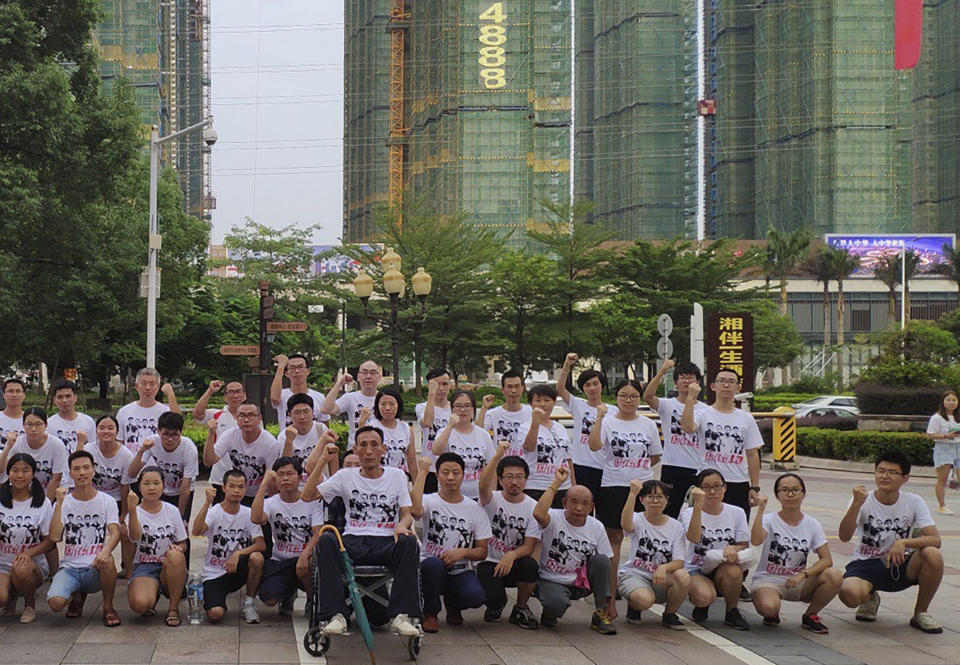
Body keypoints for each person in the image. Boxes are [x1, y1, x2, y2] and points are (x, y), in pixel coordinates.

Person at [302, 425, 421, 637]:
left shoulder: (397, 476)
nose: (368, 451)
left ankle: (401, 615)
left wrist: (403, 525)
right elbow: (308, 496)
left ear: (383, 449)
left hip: (386, 541)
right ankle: (335, 615)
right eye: (363, 445)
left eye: (374, 445)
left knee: (409, 542)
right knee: (327, 540)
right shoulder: (345, 476)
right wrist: (322, 460)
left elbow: (407, 513)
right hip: (353, 541)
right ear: (355, 450)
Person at [838, 450, 944, 633]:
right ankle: (869, 598)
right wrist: (856, 504)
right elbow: (844, 536)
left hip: (899, 563)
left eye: (892, 472)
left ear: (905, 478)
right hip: (866, 563)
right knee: (849, 594)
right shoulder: (863, 499)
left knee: (932, 554)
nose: (884, 476)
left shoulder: (913, 501)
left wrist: (903, 543)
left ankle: (921, 613)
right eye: (880, 470)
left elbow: (935, 539)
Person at [589, 379, 662, 614]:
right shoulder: (607, 421)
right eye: (623, 395)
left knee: (644, 538)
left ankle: (638, 591)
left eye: (633, 396)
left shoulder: (648, 424)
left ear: (639, 398)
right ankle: (609, 596)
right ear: (616, 397)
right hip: (613, 486)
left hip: (643, 487)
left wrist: (637, 469)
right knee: (614, 542)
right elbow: (593, 446)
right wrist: (599, 418)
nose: (628, 400)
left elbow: (654, 455)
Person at [750, 473, 842, 634]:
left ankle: (810, 615)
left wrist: (803, 575)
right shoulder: (768, 519)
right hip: (768, 580)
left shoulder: (812, 524)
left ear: (803, 494)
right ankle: (773, 611)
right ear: (777, 495)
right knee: (768, 608)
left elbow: (826, 560)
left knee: (834, 575)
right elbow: (756, 541)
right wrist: (760, 511)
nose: (790, 494)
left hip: (798, 582)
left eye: (795, 490)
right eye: (784, 490)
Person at [412, 452, 491, 632]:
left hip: (460, 569)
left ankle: (453, 603)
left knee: (476, 596)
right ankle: (430, 612)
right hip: (431, 565)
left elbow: (482, 551)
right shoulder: (429, 500)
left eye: (456, 473)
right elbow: (416, 511)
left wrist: (462, 552)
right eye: (445, 472)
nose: (450, 477)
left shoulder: (475, 509)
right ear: (438, 475)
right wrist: (423, 472)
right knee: (432, 565)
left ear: (463, 476)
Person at [533, 466, 616, 634]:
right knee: (556, 604)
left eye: (585, 504)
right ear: (564, 503)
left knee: (602, 560)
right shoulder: (554, 517)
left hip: (580, 582)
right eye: (574, 502)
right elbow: (538, 514)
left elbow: (610, 565)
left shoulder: (596, 526)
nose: (579, 508)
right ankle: (550, 611)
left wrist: (611, 602)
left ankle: (600, 613)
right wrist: (556, 483)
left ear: (592, 506)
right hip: (551, 580)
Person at [47, 450, 121, 626]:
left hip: (95, 566)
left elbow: (115, 532)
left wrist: (105, 551)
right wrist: (58, 503)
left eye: (86, 468)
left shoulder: (107, 501)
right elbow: (55, 536)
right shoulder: (65, 502)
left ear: (93, 470)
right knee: (55, 603)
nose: (82, 473)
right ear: (70, 473)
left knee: (109, 561)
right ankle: (76, 595)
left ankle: (108, 606)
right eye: (77, 469)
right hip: (70, 567)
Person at [681, 369, 761, 520]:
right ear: (713, 386)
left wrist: (754, 487)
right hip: (708, 482)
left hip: (738, 482)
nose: (726, 385)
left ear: (738, 388)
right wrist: (691, 398)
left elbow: (752, 453)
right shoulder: (703, 413)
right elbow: (687, 427)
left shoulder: (746, 418)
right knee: (704, 528)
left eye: (731, 382)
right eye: (722, 381)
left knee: (737, 531)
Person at [476, 441, 540, 629]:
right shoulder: (492, 499)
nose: (514, 482)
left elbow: (529, 546)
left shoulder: (532, 506)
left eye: (519, 477)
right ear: (500, 479)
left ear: (526, 480)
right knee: (494, 599)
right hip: (489, 561)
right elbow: (482, 487)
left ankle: (520, 608)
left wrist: (511, 555)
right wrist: (497, 455)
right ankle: (497, 604)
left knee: (530, 565)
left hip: (514, 562)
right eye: (509, 477)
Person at [682, 468, 755, 630]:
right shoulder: (689, 513)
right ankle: (702, 604)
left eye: (717, 486)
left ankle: (732, 611)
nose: (712, 491)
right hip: (697, 567)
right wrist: (698, 506)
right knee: (704, 597)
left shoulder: (737, 512)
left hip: (723, 564)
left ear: (725, 488)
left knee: (734, 571)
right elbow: (693, 537)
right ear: (698, 490)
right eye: (706, 487)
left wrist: (732, 549)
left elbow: (744, 544)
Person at [127, 412, 199, 570]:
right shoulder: (152, 442)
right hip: (162, 490)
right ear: (158, 431)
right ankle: (145, 565)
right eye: (166, 434)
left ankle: (182, 572)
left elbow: (186, 488)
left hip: (182, 492)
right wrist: (141, 451)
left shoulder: (189, 449)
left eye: (175, 435)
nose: (170, 439)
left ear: (181, 433)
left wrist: (179, 517)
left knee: (181, 532)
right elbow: (132, 473)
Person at [252, 457, 323, 615]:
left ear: (299, 477)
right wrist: (264, 484)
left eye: (290, 474)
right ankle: (288, 593)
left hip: (305, 559)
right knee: (268, 599)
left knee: (309, 563)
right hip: (281, 561)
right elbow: (256, 518)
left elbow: (318, 532)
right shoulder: (271, 503)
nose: (285, 478)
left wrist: (305, 554)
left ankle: (312, 600)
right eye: (280, 474)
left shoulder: (311, 501)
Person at [193, 470, 265, 623]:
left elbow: (261, 544)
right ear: (224, 488)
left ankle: (249, 604)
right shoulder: (214, 512)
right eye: (232, 486)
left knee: (257, 558)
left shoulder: (248, 513)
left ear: (246, 489)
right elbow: (196, 531)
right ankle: (215, 598)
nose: (236, 491)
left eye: (240, 487)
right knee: (215, 614)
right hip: (214, 572)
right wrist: (206, 503)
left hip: (237, 569)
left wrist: (238, 554)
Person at [618, 479, 689, 630]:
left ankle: (670, 614)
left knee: (683, 576)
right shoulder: (637, 518)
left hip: (659, 577)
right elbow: (625, 524)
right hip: (634, 574)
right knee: (644, 601)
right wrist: (632, 493)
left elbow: (679, 561)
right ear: (642, 500)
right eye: (650, 496)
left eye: (660, 497)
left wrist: (664, 567)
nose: (655, 501)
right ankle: (634, 606)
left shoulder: (676, 526)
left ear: (667, 500)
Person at [643, 359, 707, 517]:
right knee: (668, 512)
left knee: (698, 513)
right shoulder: (667, 405)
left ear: (698, 382)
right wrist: (662, 371)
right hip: (672, 466)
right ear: (676, 383)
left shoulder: (706, 410)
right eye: (682, 378)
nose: (687, 381)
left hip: (697, 467)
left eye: (691, 377)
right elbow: (648, 396)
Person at [126, 466, 188, 626]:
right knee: (140, 604)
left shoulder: (172, 511)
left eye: (156, 483)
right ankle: (151, 595)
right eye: (146, 483)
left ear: (163, 486)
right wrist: (132, 510)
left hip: (169, 566)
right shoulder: (135, 512)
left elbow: (182, 541)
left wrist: (178, 548)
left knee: (176, 555)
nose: (151, 487)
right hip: (144, 566)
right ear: (139, 487)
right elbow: (134, 537)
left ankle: (173, 608)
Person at [76, 414, 134, 577]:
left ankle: (129, 571)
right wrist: (80, 442)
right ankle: (84, 564)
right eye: (102, 428)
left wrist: (123, 513)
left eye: (110, 428)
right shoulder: (89, 450)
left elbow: (124, 487)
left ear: (117, 431)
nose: (106, 431)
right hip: (92, 498)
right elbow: (77, 465)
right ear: (96, 431)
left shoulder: (126, 455)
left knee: (124, 531)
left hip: (115, 500)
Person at [0, 453, 55, 623]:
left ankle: (29, 605)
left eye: (25, 471)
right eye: (15, 470)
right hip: (3, 563)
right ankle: (10, 596)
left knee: (21, 567)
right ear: (8, 473)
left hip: (32, 565)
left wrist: (28, 554)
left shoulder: (42, 502)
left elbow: (49, 541)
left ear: (33, 474)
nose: (20, 475)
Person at [557, 354, 615, 513]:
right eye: (587, 385)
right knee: (581, 511)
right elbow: (560, 389)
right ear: (583, 388)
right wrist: (567, 365)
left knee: (604, 512)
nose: (592, 388)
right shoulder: (578, 404)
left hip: (605, 467)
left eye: (595, 384)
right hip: (581, 466)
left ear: (602, 385)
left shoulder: (614, 410)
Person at [204, 402, 280, 506]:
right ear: (236, 418)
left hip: (261, 494)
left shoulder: (270, 443)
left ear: (259, 418)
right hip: (237, 492)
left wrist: (271, 506)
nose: (246, 420)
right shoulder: (230, 435)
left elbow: (272, 478)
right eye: (242, 415)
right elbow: (209, 461)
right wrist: (211, 435)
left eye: (251, 415)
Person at [431, 391, 495, 500]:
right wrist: (450, 426)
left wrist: (491, 494)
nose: (462, 410)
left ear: (473, 409)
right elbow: (436, 450)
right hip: (449, 495)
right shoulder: (445, 432)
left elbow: (491, 467)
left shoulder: (483, 434)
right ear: (452, 409)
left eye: (467, 406)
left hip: (477, 494)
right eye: (458, 406)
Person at [520, 385, 575, 507]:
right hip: (536, 486)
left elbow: (568, 459)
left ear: (554, 402)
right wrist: (535, 422)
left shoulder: (560, 428)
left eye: (547, 400)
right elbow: (528, 447)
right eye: (538, 401)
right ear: (531, 404)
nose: (543, 404)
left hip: (563, 486)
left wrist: (573, 486)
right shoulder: (525, 427)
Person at [192, 379, 246, 500]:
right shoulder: (217, 415)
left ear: (244, 395)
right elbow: (197, 414)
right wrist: (210, 391)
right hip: (221, 477)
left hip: (246, 478)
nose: (235, 395)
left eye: (238, 391)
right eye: (231, 392)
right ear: (225, 397)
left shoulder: (253, 417)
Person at [0, 408, 68, 502]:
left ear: (46, 425)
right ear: (23, 426)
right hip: (26, 492)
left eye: (38, 424)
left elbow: (56, 478)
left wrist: (46, 506)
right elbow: (2, 469)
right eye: (29, 424)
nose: (33, 429)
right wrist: (8, 447)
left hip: (53, 492)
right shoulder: (18, 444)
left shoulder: (56, 445)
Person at [117, 368, 179, 454]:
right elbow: (119, 442)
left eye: (152, 384)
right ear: (136, 386)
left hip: (157, 464)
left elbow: (178, 426)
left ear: (158, 386)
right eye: (144, 384)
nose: (148, 388)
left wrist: (171, 394)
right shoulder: (124, 412)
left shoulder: (165, 412)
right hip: (131, 464)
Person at [282, 394, 338, 489]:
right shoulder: (284, 435)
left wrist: (334, 484)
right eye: (297, 412)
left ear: (313, 413)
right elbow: (283, 466)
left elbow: (332, 458)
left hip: (320, 486)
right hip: (295, 489)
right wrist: (289, 441)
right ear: (289, 415)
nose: (302, 417)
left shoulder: (321, 429)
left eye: (306, 411)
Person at [360, 386, 416, 480]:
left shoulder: (407, 429)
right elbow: (360, 449)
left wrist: (416, 487)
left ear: (399, 405)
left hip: (400, 480)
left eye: (392, 404)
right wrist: (362, 422)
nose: (387, 408)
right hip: (377, 480)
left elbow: (412, 461)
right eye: (383, 404)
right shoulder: (372, 427)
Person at [321, 361, 381, 446]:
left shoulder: (385, 399)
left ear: (379, 377)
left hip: (379, 451)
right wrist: (339, 383)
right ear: (358, 377)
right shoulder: (350, 398)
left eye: (373, 372)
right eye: (364, 372)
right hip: (354, 452)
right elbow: (326, 409)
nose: (368, 376)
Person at [475, 368, 532, 458]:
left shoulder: (531, 412)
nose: (513, 391)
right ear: (503, 389)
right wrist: (484, 408)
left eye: (517, 386)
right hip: (500, 464)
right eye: (509, 386)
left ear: (522, 388)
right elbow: (478, 433)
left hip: (524, 465)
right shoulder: (493, 414)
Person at [415, 368, 453, 494]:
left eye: (445, 384)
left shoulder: (455, 408)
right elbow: (428, 422)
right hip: (430, 466)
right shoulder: (421, 407)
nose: (441, 389)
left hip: (451, 465)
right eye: (437, 384)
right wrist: (431, 395)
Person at [926, 391, 960, 515]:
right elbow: (930, 435)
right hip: (944, 448)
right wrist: (946, 435)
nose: (951, 403)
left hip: (958, 447)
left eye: (954, 400)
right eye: (948, 400)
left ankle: (954, 480)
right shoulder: (937, 417)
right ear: (943, 402)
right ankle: (942, 506)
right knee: (942, 479)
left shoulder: (958, 416)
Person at [271, 354, 328, 428]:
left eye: (301, 367)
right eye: (292, 368)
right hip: (288, 439)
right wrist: (281, 366)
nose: (297, 371)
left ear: (307, 371)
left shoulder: (319, 397)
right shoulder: (282, 395)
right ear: (286, 373)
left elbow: (325, 425)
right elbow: (274, 398)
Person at [47, 380, 97, 456]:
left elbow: (94, 449)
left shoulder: (88, 421)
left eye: (68, 396)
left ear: (75, 397)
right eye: (60, 397)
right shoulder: (49, 424)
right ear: (54, 399)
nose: (64, 401)